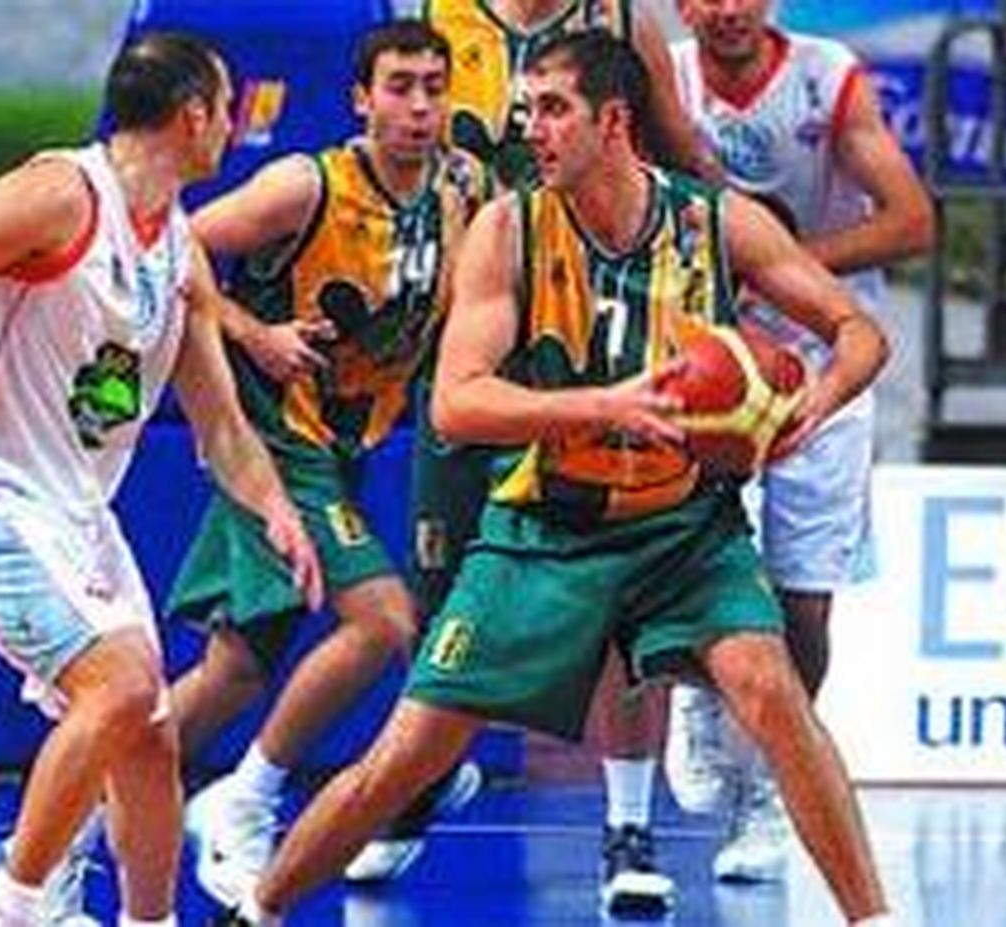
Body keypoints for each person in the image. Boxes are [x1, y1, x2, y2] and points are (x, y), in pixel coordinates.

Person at [212, 28, 898, 927]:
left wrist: (810, 404)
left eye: (552, 109)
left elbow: (859, 331)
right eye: (526, 108)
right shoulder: (508, 228)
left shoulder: (715, 222)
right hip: (545, 531)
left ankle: (875, 918)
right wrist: (601, 406)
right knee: (406, 757)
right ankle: (257, 908)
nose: (528, 128)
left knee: (773, 691)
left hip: (686, 529)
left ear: (614, 120)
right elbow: (457, 403)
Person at [0, 32, 322, 927]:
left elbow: (223, 428)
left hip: (72, 515)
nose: (236, 124)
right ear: (194, 114)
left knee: (148, 732)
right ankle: (14, 910)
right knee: (117, 691)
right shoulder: (59, 196)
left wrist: (278, 511)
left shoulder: (178, 251)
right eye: (228, 106)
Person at [160, 20, 487, 908]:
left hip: (344, 447)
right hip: (273, 441)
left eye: (433, 87)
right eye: (399, 87)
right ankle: (247, 798)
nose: (419, 106)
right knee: (382, 621)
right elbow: (173, 245)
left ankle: (58, 830)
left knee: (234, 670)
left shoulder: (462, 185)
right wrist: (253, 332)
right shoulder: (304, 186)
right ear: (360, 99)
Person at [408, 1, 716, 909]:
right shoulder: (433, 14)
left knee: (622, 586)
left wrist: (720, 289)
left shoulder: (622, 18)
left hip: (597, 327)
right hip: (470, 326)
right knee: (444, 594)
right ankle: (424, 780)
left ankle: (628, 824)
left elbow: (685, 162)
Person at [655, 0, 936, 884]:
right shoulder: (667, 80)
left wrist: (777, 260)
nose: (729, 9)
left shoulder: (825, 76)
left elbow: (912, 221)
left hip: (822, 364)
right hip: (706, 363)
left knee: (805, 601)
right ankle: (699, 699)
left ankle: (770, 786)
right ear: (683, 6)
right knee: (697, 566)